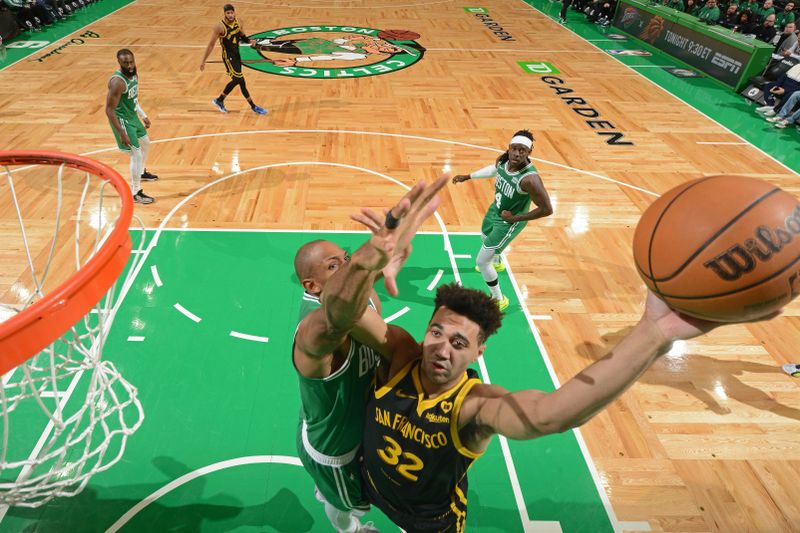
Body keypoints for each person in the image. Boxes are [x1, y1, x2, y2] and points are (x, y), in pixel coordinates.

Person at [310, 206, 780, 531]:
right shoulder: (401, 356)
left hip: (429, 522)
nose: (441, 349)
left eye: (459, 342)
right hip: (372, 486)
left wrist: (653, 334)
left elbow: (553, 414)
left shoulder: (475, 407)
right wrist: (370, 259)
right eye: (437, 333)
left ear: (478, 354)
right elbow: (340, 313)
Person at [291, 177, 447, 533]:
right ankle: (350, 530)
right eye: (335, 266)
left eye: (346, 259)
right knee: (345, 505)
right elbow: (338, 311)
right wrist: (365, 262)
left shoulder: (361, 295)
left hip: (359, 423)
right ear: (311, 286)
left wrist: (394, 242)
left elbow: (359, 292)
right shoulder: (315, 331)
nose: (347, 267)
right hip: (335, 449)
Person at [451, 130, 553, 311]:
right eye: (514, 149)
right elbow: (494, 169)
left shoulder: (530, 179)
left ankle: (499, 299)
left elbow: (547, 209)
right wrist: (468, 176)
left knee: (482, 262)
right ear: (509, 148)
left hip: (509, 222)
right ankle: (497, 263)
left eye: (522, 150)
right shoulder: (505, 160)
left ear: (530, 152)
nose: (517, 153)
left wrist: (515, 218)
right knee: (483, 235)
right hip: (495, 210)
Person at [105, 49, 158, 205]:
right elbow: (109, 109)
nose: (129, 65)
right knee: (136, 154)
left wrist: (143, 115)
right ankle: (135, 193)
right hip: (122, 121)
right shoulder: (117, 82)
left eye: (131, 62)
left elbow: (133, 99)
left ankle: (141, 173)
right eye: (125, 63)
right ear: (119, 63)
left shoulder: (133, 74)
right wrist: (121, 132)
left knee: (146, 143)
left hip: (133, 117)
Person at [199, 3, 267, 115]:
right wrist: (203, 60)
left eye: (232, 12)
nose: (230, 15)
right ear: (224, 14)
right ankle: (253, 106)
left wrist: (250, 41)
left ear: (234, 12)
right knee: (240, 80)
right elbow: (211, 45)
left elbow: (243, 36)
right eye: (228, 13)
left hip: (237, 54)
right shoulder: (219, 27)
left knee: (238, 80)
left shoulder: (239, 22)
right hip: (228, 56)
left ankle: (219, 100)